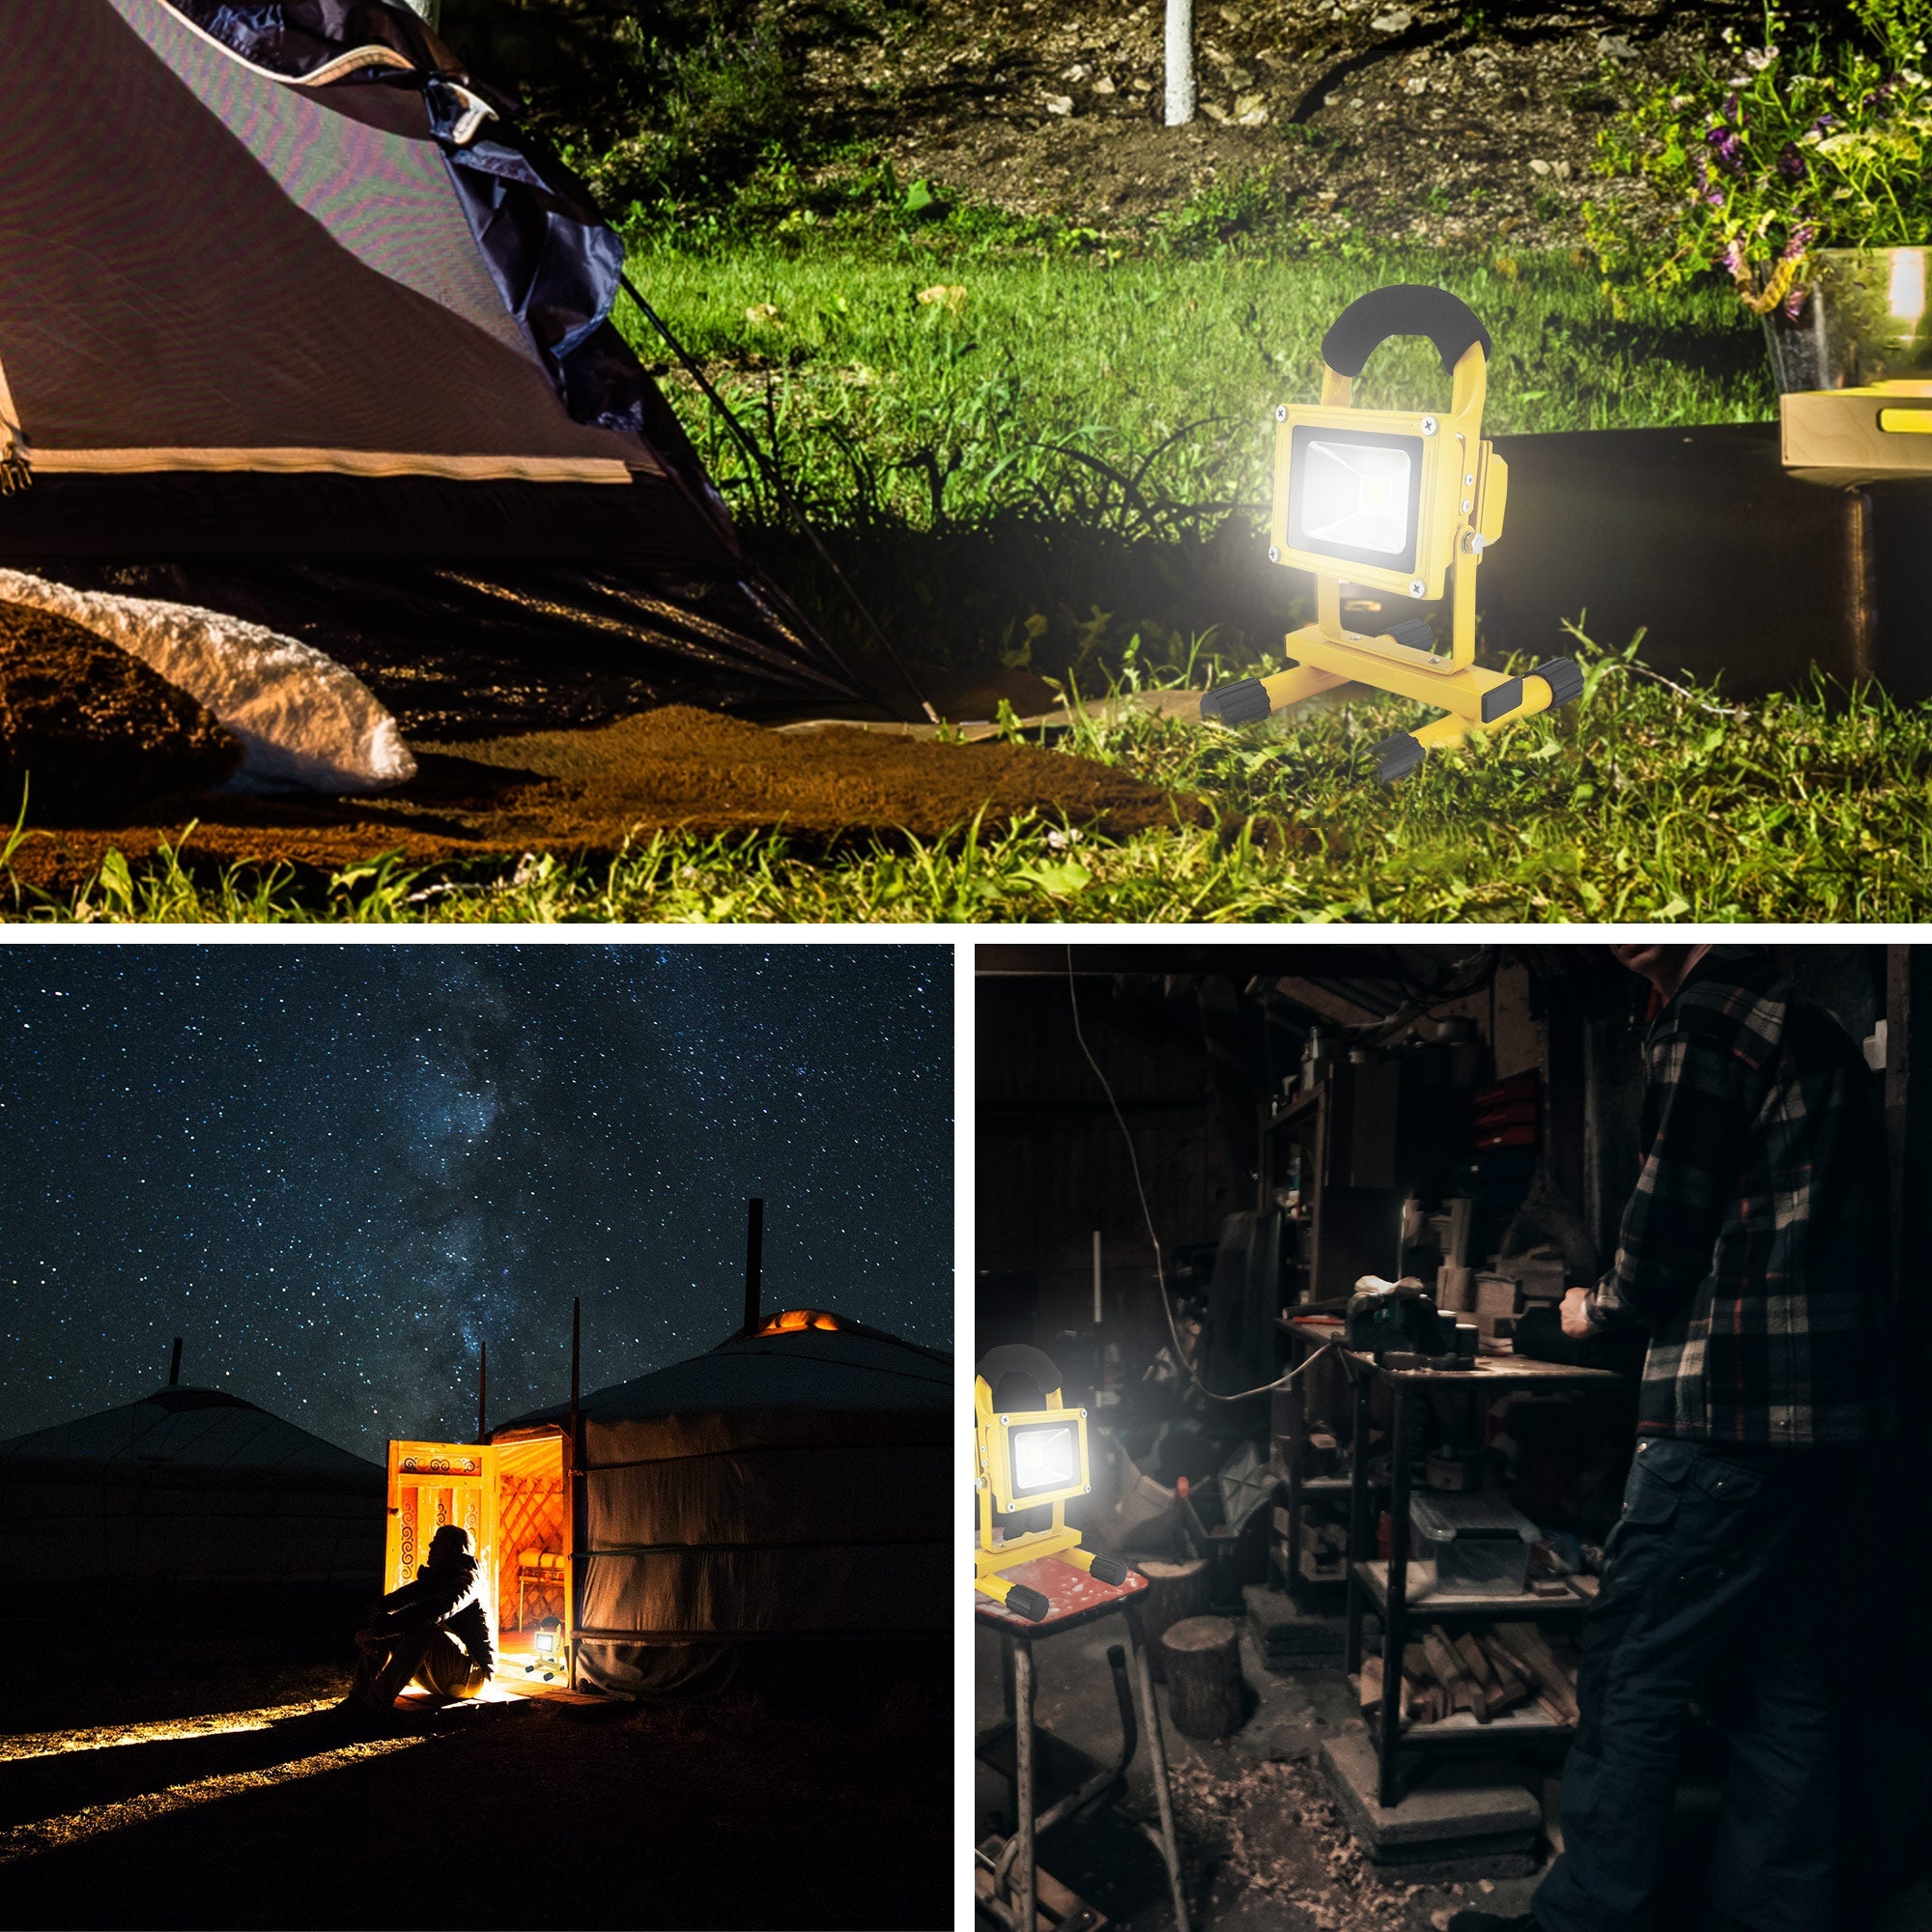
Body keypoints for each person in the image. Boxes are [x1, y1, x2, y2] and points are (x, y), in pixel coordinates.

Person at [1454, 943, 1889, 1932]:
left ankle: (1582, 1919)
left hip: (1725, 1422)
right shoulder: (1808, 1028)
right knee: (1780, 1680)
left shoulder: (1707, 1020)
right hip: (1823, 1428)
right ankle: (1778, 1911)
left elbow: (1650, 1259)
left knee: (1630, 1664)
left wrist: (1575, 1310)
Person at [346, 1522, 496, 1715]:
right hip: (441, 1675)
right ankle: (358, 1697)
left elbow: (436, 1609)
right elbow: (383, 1604)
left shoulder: (467, 1579)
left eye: (437, 1543)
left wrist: (378, 1631)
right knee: (392, 1623)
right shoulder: (436, 1578)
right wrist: (367, 1630)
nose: (430, 1547)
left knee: (423, 1625)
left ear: (453, 1549)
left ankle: (372, 1707)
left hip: (471, 1678)